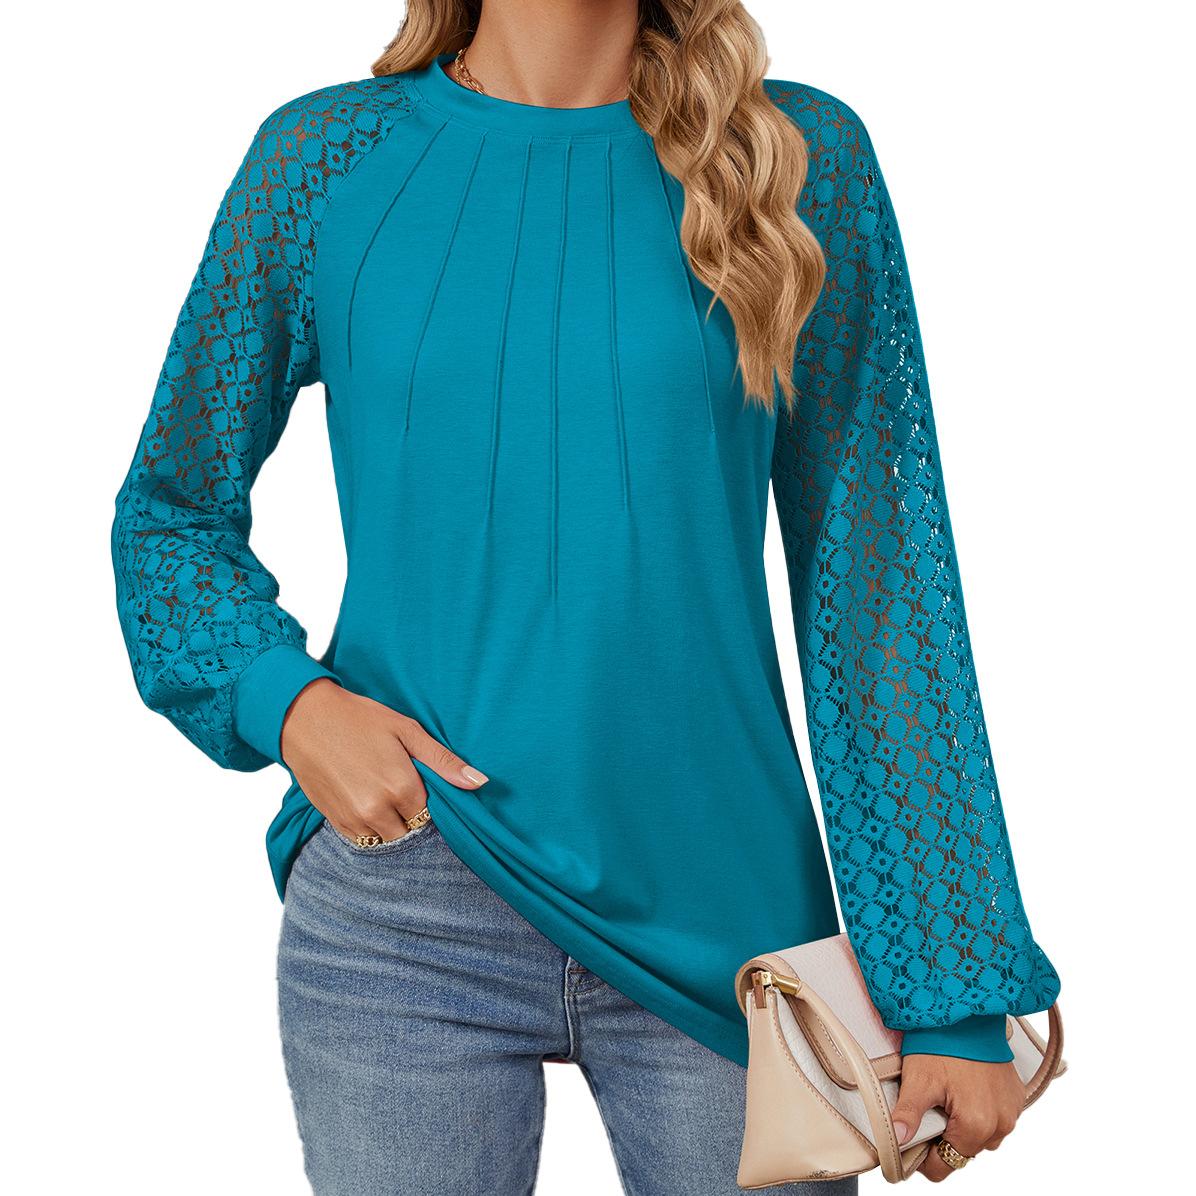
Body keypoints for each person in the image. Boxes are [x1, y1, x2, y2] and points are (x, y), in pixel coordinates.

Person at [110, 2, 1062, 1192]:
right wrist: (289, 704)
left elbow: (876, 595)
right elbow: (169, 513)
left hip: (731, 927)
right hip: (407, 903)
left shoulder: (793, 157)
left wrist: (953, 990)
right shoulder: (322, 163)